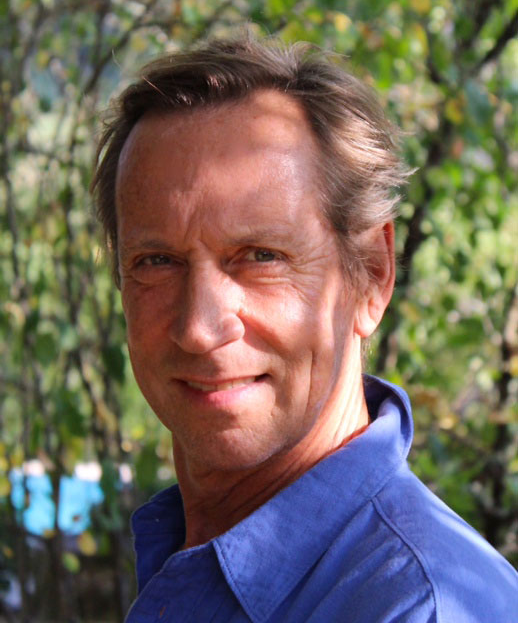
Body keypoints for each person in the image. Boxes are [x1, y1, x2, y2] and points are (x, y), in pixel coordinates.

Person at [91, 37, 518, 622]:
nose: (199, 328)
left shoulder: (420, 608)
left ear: (372, 275)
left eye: (260, 256)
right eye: (157, 262)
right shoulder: (194, 553)